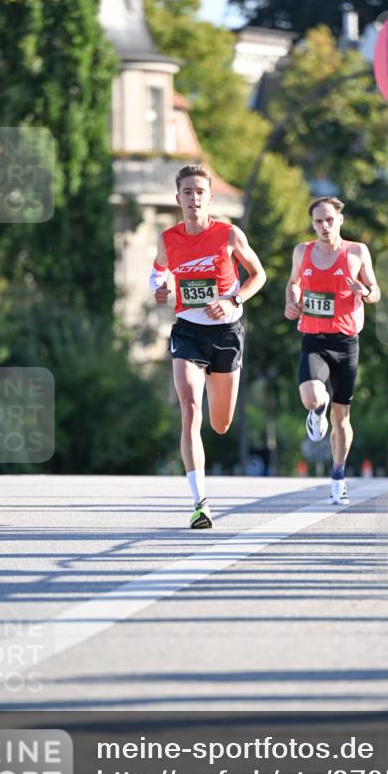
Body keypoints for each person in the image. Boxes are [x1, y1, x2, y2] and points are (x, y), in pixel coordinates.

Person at [151, 164, 266, 528]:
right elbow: (158, 271)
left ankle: (202, 491)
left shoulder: (229, 234)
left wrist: (234, 302)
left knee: (220, 423)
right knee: (189, 409)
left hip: (227, 334)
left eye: (200, 192)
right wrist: (160, 287)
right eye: (188, 192)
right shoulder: (168, 238)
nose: (194, 198)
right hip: (187, 331)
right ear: (178, 198)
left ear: (210, 198)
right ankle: (200, 502)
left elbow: (259, 275)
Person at [284, 197, 380, 505]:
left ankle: (338, 475)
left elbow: (375, 291)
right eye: (317, 221)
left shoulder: (356, 252)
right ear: (312, 224)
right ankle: (316, 411)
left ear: (340, 220)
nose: (324, 226)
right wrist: (293, 299)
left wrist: (365, 291)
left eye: (329, 220)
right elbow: (293, 283)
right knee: (312, 397)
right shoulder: (303, 251)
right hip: (314, 339)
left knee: (342, 418)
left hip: (346, 342)